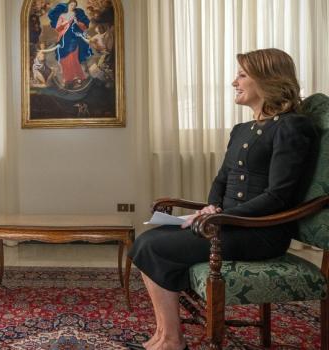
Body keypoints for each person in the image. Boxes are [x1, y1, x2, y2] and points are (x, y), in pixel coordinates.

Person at [127, 48, 316, 350]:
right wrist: (212, 206)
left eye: (242, 75)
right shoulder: (241, 130)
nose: (234, 82)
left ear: (267, 80)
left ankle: (172, 341)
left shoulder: (291, 127)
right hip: (227, 223)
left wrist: (220, 217)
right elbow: (222, 179)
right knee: (148, 241)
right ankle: (164, 335)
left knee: (155, 247)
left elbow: (278, 195)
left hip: (260, 233)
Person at [48, 0, 92, 88]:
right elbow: (57, 28)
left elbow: (83, 27)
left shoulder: (76, 15)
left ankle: (77, 77)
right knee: (64, 59)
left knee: (73, 57)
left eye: (74, 5)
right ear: (68, 5)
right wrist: (64, 23)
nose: (72, 6)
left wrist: (77, 22)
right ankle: (68, 79)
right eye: (71, 4)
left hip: (73, 38)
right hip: (64, 38)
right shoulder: (62, 16)